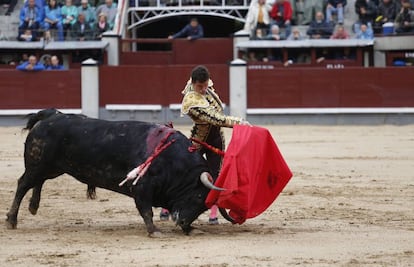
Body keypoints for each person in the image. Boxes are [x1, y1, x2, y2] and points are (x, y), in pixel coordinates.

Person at [175, 65, 250, 225]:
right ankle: (170, 206)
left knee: (217, 174)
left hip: (216, 137)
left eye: (205, 85)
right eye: (199, 87)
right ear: (193, 84)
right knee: (183, 171)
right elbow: (216, 118)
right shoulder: (191, 100)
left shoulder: (202, 82)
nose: (203, 89)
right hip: (199, 139)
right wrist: (239, 122)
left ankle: (214, 210)